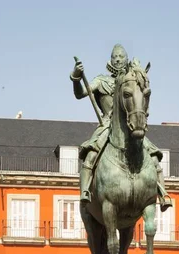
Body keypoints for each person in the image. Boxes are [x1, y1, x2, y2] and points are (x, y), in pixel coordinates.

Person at [70, 44, 173, 211]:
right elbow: (80, 94)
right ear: (110, 60)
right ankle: (85, 191)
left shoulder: (131, 81)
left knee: (153, 156)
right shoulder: (101, 81)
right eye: (114, 56)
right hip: (106, 125)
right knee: (90, 154)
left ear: (126, 59)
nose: (117, 59)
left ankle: (162, 193)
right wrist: (75, 77)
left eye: (121, 56)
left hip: (131, 126)